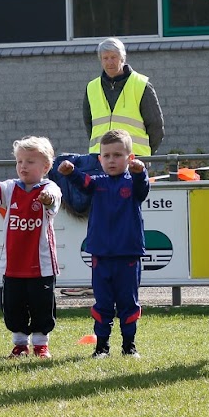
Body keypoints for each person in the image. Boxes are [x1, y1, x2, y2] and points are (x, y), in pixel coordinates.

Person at [58, 129, 150, 357]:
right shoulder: (97, 183)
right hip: (100, 255)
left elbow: (143, 188)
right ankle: (102, 347)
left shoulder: (133, 182)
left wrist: (141, 173)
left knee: (129, 303)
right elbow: (82, 182)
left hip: (128, 254)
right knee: (103, 304)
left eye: (117, 155)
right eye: (106, 155)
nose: (111, 160)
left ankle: (129, 346)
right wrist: (70, 172)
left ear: (130, 158)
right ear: (99, 159)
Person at [0, 136, 62, 358]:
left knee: (41, 305)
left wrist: (47, 199)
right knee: (13, 306)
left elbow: (54, 201)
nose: (23, 166)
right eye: (20, 161)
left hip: (40, 263)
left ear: (45, 166)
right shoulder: (12, 187)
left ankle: (41, 345)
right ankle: (20, 344)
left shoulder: (49, 188)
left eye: (30, 161)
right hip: (13, 262)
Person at [83, 38, 165, 159]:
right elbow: (89, 125)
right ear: (101, 60)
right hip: (100, 159)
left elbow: (156, 126)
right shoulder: (92, 87)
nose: (109, 62)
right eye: (105, 58)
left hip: (134, 158)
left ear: (122, 58)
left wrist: (145, 156)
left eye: (113, 57)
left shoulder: (141, 85)